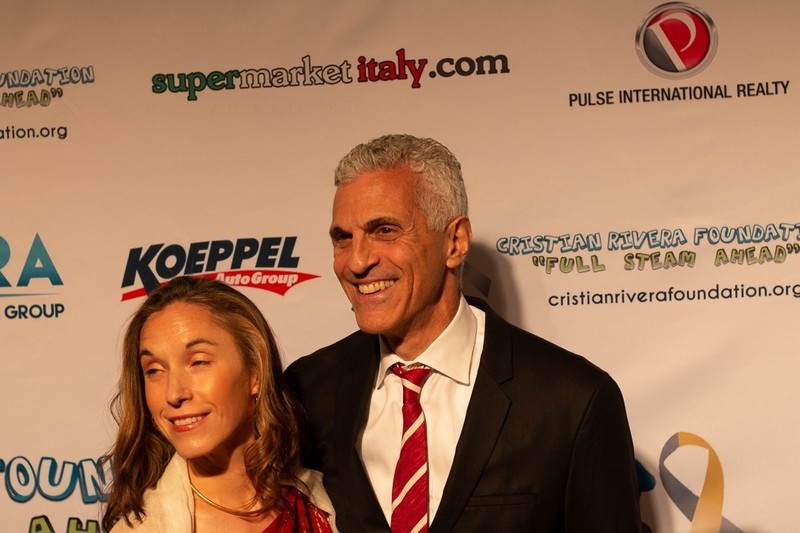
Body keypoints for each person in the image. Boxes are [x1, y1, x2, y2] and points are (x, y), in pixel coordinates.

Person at [286, 134, 641, 532]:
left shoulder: (572, 400)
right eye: (343, 238)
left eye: (384, 230)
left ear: (455, 242)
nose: (356, 261)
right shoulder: (306, 391)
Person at [102, 276, 336, 532]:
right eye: (154, 370)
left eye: (198, 362)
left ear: (255, 372)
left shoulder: (330, 500)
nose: (173, 393)